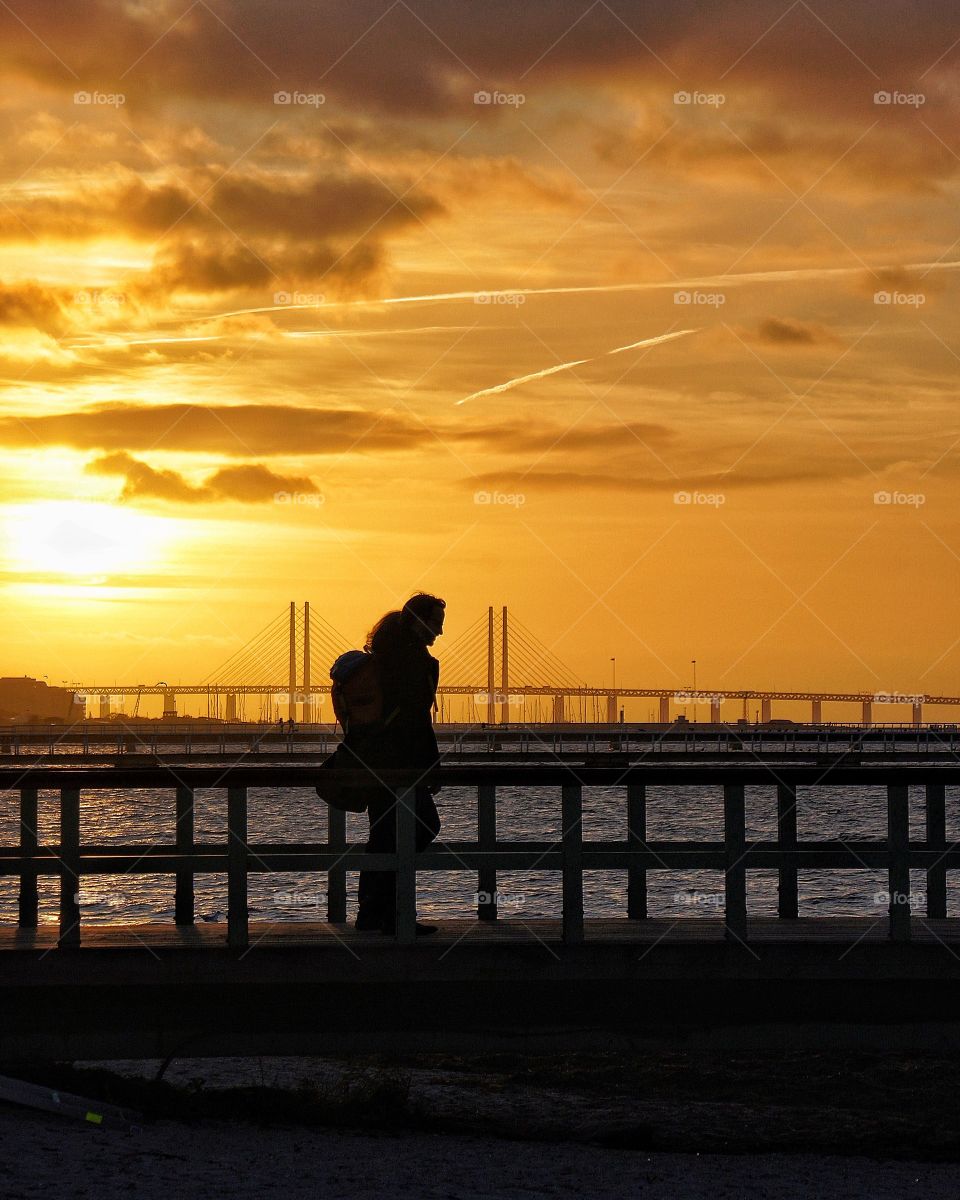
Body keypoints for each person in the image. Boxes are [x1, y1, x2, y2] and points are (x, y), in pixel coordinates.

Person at [353, 592, 445, 935]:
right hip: (399, 765)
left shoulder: (385, 655)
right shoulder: (410, 662)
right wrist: (430, 764)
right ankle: (389, 915)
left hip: (375, 762)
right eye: (434, 623)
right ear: (415, 621)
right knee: (419, 828)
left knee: (384, 837)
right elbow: (416, 719)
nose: (438, 632)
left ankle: (374, 914)